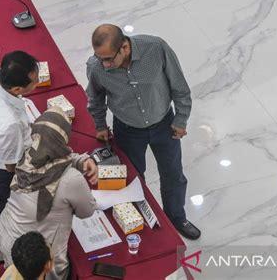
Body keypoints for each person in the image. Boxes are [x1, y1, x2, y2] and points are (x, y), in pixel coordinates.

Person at [86, 24, 201, 240]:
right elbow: (95, 99)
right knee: (133, 179)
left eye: (109, 58)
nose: (105, 64)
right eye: (100, 58)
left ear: (125, 48)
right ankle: (141, 221)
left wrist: (181, 119)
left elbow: (179, 86)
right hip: (127, 130)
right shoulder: (97, 67)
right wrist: (100, 126)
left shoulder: (156, 48)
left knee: (173, 175)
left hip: (164, 126)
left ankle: (176, 217)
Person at [0, 106, 97, 280]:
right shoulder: (70, 179)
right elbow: (87, 211)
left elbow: (56, 158)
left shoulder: (27, 153)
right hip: (36, 260)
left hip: (8, 237)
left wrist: (81, 160)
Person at [0, 50, 40, 218]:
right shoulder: (8, 124)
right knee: (8, 207)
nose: (38, 82)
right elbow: (11, 166)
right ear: (17, 89)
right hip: (0, 170)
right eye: (35, 81)